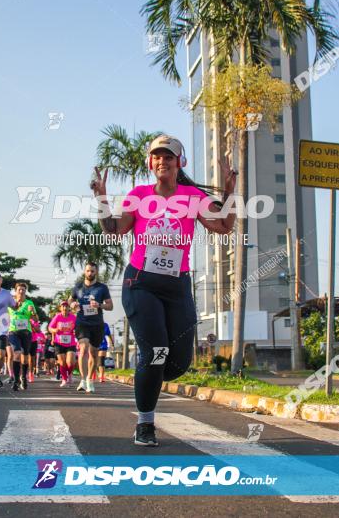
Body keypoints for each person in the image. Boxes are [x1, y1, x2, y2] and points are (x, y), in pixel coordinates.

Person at [94, 134, 236, 446]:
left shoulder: (192, 197)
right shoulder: (139, 195)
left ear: (178, 162)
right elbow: (114, 230)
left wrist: (229, 191)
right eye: (157, 156)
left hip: (177, 284)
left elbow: (224, 226)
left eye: (168, 156)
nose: (162, 161)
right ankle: (145, 424)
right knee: (155, 352)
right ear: (150, 162)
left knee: (178, 362)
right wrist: (102, 199)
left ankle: (153, 374)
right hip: (140, 283)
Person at [69, 262, 113, 394]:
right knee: (83, 348)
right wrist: (73, 305)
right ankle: (83, 380)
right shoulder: (78, 287)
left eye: (92, 271)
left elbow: (110, 306)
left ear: (96, 272)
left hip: (97, 324)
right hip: (82, 322)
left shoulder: (102, 288)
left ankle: (90, 379)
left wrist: (99, 305)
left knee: (94, 353)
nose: (90, 273)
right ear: (84, 271)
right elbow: (70, 300)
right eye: (88, 271)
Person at [7, 283, 39, 392]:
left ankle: (24, 377)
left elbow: (35, 319)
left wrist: (33, 312)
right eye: (19, 290)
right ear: (15, 291)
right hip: (13, 332)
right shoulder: (10, 303)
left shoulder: (29, 303)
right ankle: (16, 380)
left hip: (26, 332)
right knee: (16, 353)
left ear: (26, 292)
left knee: (25, 358)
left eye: (23, 290)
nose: (21, 292)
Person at [49, 301, 78, 387]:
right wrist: (55, 330)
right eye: (63, 306)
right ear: (60, 308)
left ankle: (69, 374)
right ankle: (64, 379)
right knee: (62, 362)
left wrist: (76, 331)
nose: (65, 308)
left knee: (70, 362)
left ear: (69, 308)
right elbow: (50, 328)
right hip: (59, 342)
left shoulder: (73, 317)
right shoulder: (57, 317)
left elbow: (78, 327)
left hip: (70, 342)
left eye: (66, 306)